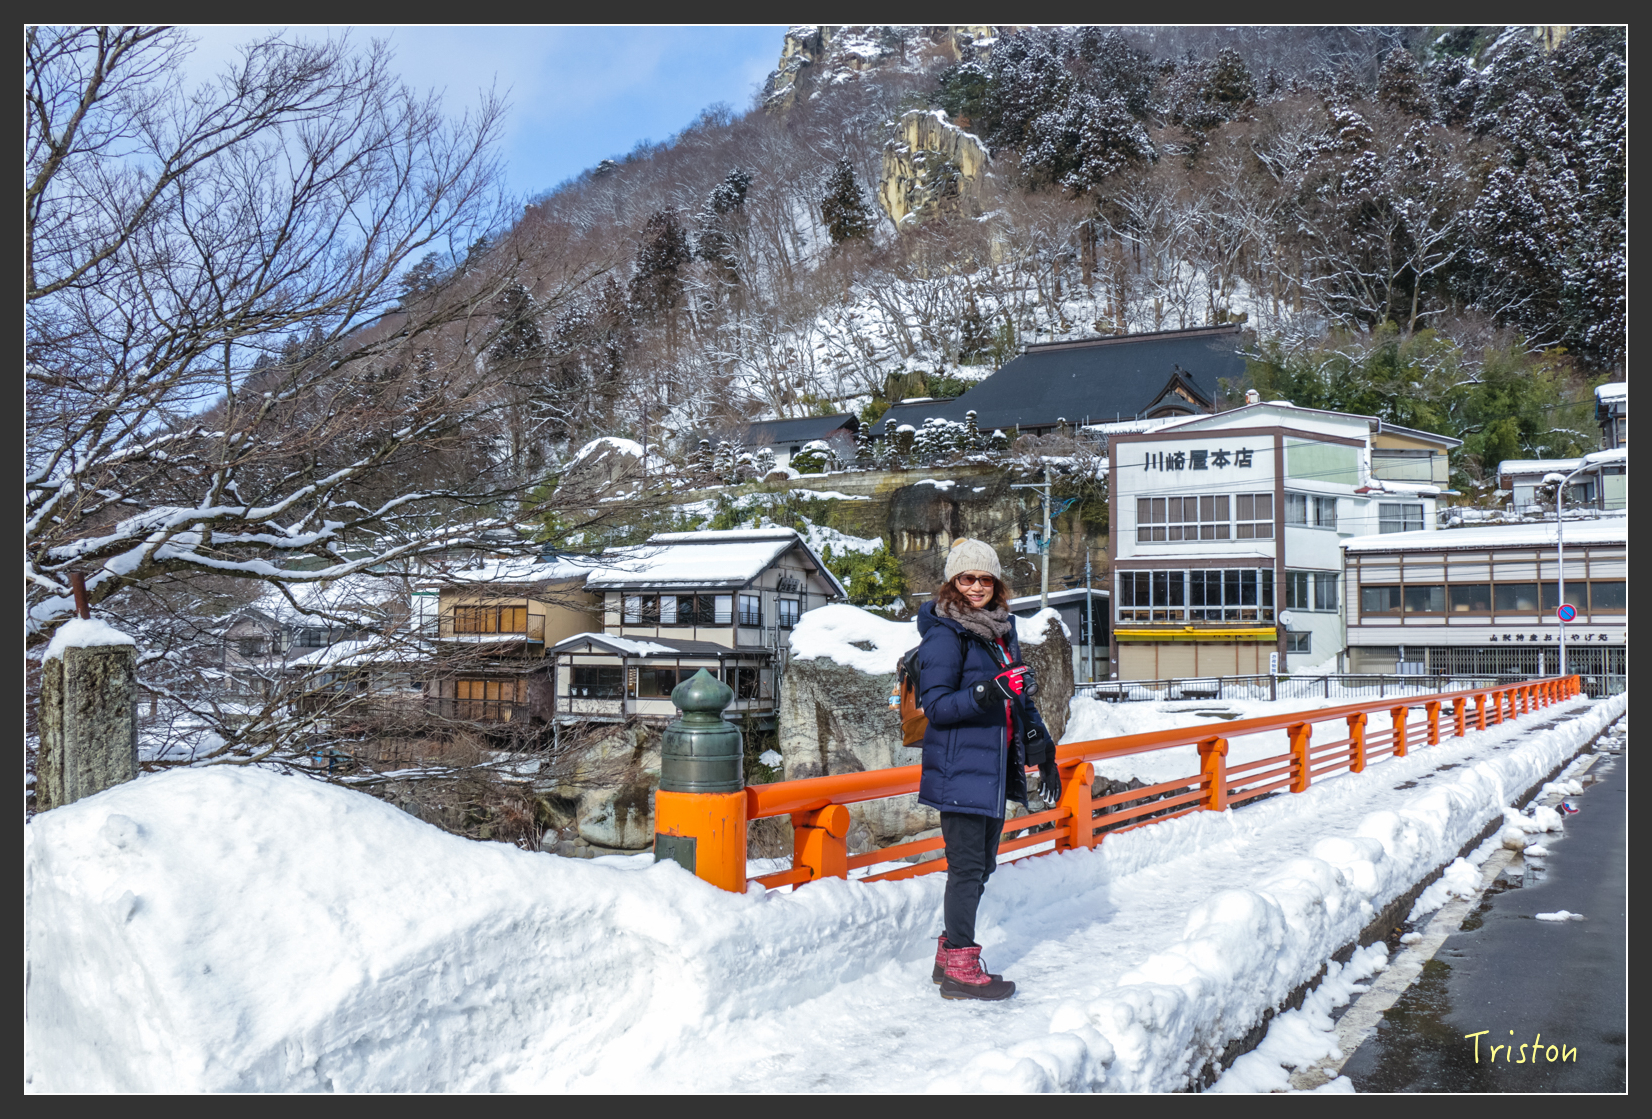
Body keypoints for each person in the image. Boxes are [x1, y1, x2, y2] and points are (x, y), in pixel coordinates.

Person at [915, 538, 1061, 1001]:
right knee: (966, 869)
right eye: (967, 578)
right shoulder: (946, 633)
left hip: (994, 768)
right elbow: (937, 707)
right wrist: (987, 692)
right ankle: (960, 968)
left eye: (985, 579)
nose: (976, 587)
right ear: (952, 582)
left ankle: (948, 958)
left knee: (982, 867)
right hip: (960, 768)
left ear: (997, 584)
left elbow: (1020, 699)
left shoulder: (1000, 632)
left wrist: (1045, 750)